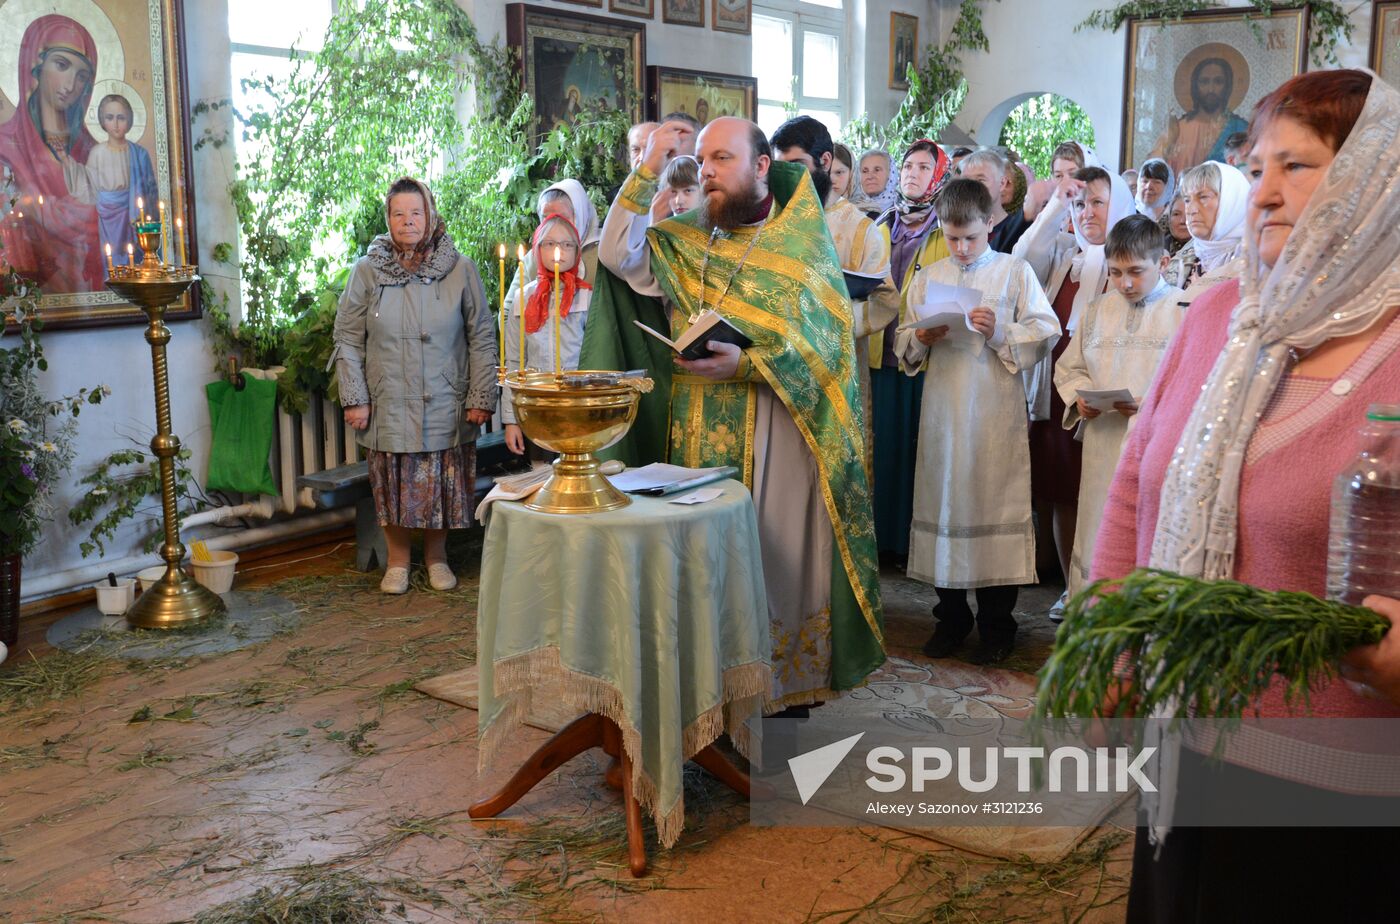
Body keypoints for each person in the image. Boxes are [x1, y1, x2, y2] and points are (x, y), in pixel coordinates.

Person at [1090, 69, 1400, 921]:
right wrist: (1109, 645)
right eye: (1255, 167)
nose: (1263, 192)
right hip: (1185, 750)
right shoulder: (1220, 314)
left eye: (1296, 168)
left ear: (1376, 180)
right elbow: (1134, 492)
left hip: (1335, 791)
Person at [594, 116, 885, 709]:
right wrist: (647, 167)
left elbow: (825, 347)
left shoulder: (802, 242)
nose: (707, 172)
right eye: (702, 162)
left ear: (760, 166)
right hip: (698, 428)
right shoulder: (691, 237)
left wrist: (748, 365)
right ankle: (711, 693)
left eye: (721, 159)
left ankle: (781, 697)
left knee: (776, 561)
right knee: (703, 567)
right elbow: (617, 253)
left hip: (779, 429)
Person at [896, 178, 1059, 663]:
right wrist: (920, 339)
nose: (962, 249)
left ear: (991, 223)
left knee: (992, 506)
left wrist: (1000, 330)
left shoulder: (1014, 273)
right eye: (953, 238)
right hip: (944, 412)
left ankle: (996, 626)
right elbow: (905, 336)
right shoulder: (930, 275)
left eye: (971, 237)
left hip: (994, 415)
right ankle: (950, 619)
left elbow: (1045, 330)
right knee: (946, 505)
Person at [333, 177, 498, 594]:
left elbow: (482, 335)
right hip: (387, 398)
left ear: (430, 215)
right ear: (387, 219)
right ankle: (399, 562)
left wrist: (481, 395)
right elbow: (348, 338)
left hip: (445, 396)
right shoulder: (367, 271)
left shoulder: (460, 268)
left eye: (416, 213)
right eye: (398, 213)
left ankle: (437, 558)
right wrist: (355, 398)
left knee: (441, 480)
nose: (408, 221)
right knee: (392, 481)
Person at [1014, 162, 1136, 618]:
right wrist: (1056, 205)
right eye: (1081, 203)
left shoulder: (1131, 263)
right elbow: (1023, 256)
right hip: (1062, 395)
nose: (1087, 212)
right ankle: (1072, 585)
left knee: (1105, 492)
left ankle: (1108, 587)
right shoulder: (1065, 254)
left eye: (1098, 202)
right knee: (1063, 492)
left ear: (1119, 205)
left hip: (1110, 400)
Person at [1052, 215, 1184, 599]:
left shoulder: (1183, 311)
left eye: (1136, 272)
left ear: (1162, 263)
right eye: (1115, 272)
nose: (1125, 283)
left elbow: (1197, 385)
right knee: (1098, 530)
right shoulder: (1096, 310)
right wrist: (1082, 398)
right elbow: (1070, 368)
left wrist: (1151, 405)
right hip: (1102, 447)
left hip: (1155, 449)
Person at [770, 116, 898, 464]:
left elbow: (886, 300)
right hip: (777, 368)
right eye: (780, 167)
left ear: (824, 162)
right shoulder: (771, 221)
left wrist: (827, 317)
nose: (787, 176)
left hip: (837, 370)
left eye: (796, 165)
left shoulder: (860, 228)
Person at [870, 140, 951, 563]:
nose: (912, 174)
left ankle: (910, 544)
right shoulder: (882, 224)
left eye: (923, 167)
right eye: (908, 166)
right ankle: (881, 541)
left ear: (939, 176)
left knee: (916, 451)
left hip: (924, 356)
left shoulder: (946, 227)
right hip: (879, 353)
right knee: (883, 451)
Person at [0, 14, 101, 293]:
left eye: (82, 76)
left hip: (91, 291)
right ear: (35, 65)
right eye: (61, 65)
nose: (71, 85)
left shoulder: (94, 153)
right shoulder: (5, 148)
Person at [501, 215, 592, 455]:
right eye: (549, 244)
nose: (558, 251)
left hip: (578, 408)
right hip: (537, 408)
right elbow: (513, 361)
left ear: (576, 251)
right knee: (542, 480)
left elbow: (596, 357)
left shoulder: (587, 298)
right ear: (538, 250)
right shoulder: (524, 298)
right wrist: (511, 420)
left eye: (566, 244)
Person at [85, 93, 157, 272]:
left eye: (121, 118)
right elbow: (89, 190)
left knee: (136, 262)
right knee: (112, 263)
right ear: (102, 121)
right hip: (108, 218)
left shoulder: (140, 154)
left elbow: (151, 193)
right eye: (109, 118)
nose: (115, 125)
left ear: (130, 120)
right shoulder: (97, 153)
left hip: (134, 217)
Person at [1149, 56, 1249, 174]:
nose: (1211, 89)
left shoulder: (1240, 128)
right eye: (1204, 81)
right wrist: (1168, 137)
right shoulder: (1179, 128)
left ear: (1228, 86)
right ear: (1195, 86)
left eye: (1218, 82)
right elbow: (1153, 172)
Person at [1163, 160, 1248, 295]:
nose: (1190, 210)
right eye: (1187, 200)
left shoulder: (1254, 263)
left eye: (1203, 197)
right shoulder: (1180, 264)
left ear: (1231, 201)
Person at [957, 148, 1030, 252]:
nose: (971, 187)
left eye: (981, 180)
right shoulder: (956, 231)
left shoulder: (1019, 233)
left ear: (1002, 183)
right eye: (966, 181)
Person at [851, 149, 898, 218]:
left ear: (890, 174)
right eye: (865, 171)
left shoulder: (902, 213)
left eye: (877, 170)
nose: (870, 176)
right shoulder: (849, 212)